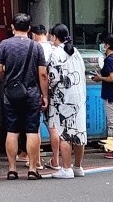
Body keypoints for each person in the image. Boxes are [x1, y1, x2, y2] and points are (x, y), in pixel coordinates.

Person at [0, 13, 48, 180]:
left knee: (12, 130)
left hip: (11, 94)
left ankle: (12, 169)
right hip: (31, 93)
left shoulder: (5, 45)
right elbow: (43, 74)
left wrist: (6, 78)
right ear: (29, 28)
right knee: (31, 131)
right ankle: (32, 169)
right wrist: (45, 95)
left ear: (12, 27)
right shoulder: (36, 46)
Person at [46, 23, 87, 179]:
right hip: (79, 98)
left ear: (55, 37)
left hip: (63, 99)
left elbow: (53, 79)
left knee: (65, 134)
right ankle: (78, 167)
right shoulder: (76, 52)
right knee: (79, 133)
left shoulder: (56, 53)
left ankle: (66, 168)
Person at [91, 33, 113, 159]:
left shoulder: (110, 59)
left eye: (104, 43)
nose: (102, 45)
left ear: (107, 45)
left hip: (111, 95)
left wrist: (100, 78)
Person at [31, 24, 58, 169]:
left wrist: (43, 94)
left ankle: (37, 162)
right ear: (46, 33)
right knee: (52, 126)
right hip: (54, 91)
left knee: (34, 127)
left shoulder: (35, 48)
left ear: (33, 35)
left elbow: (42, 74)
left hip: (38, 90)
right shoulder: (54, 48)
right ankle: (56, 160)